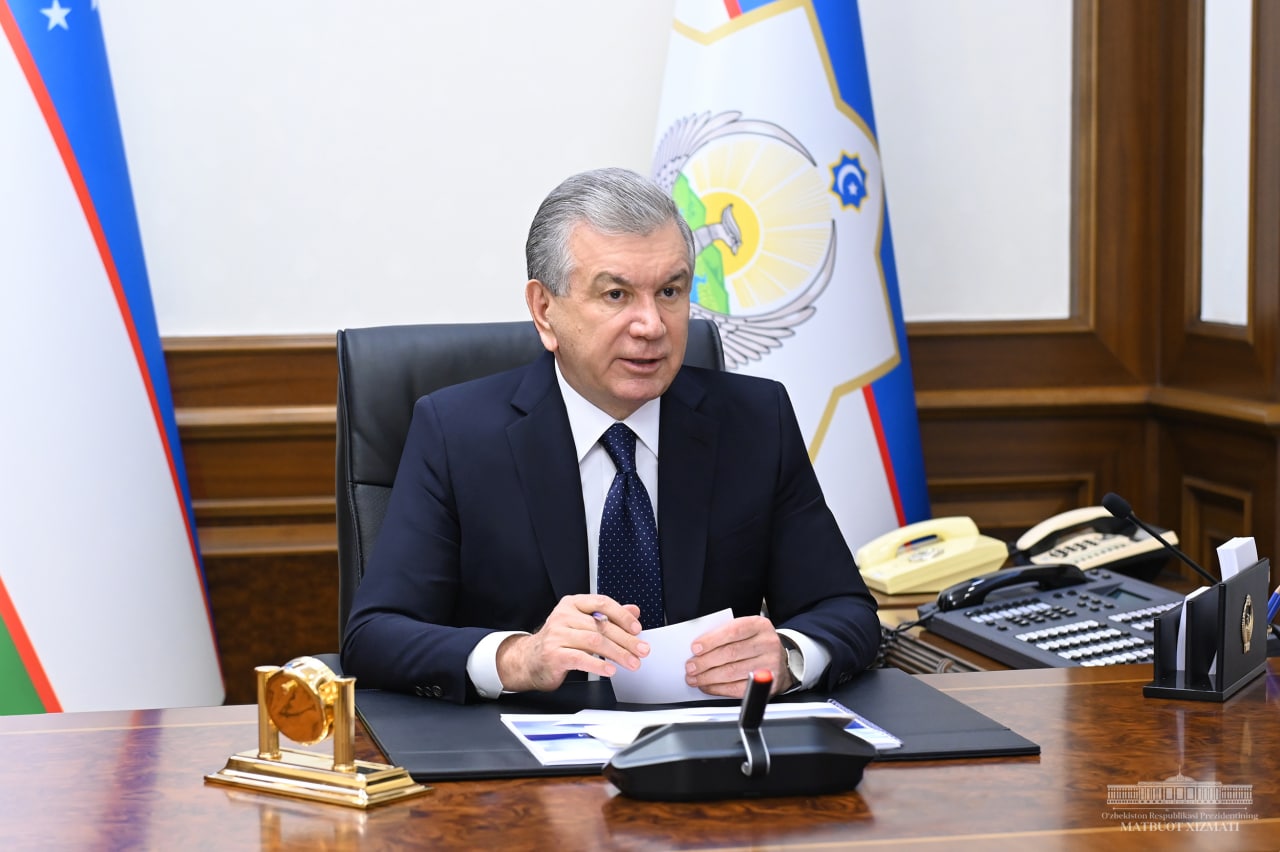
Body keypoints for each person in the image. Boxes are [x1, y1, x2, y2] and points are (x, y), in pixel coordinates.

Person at [341, 167, 880, 704]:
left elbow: (845, 610)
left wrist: (788, 655)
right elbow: (375, 634)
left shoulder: (755, 421)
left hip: (709, 744)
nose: (652, 325)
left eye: (670, 291)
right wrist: (518, 657)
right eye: (617, 294)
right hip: (525, 745)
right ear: (544, 310)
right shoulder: (457, 433)